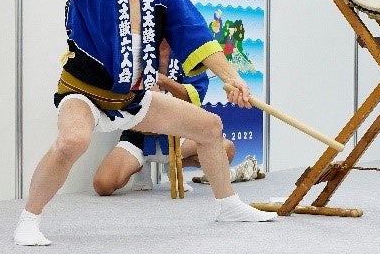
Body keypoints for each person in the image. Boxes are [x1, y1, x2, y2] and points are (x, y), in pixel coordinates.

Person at [14, 0, 276, 246]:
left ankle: (228, 205)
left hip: (136, 96)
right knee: (72, 141)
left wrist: (233, 78)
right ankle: (29, 220)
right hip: (85, 91)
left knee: (210, 127)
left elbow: (195, 34)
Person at [93, 41, 259, 196]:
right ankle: (140, 166)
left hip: (177, 134)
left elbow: (194, 99)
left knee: (225, 149)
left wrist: (164, 81)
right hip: (139, 135)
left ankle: (175, 163)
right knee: (103, 184)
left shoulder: (189, 51)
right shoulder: (134, 47)